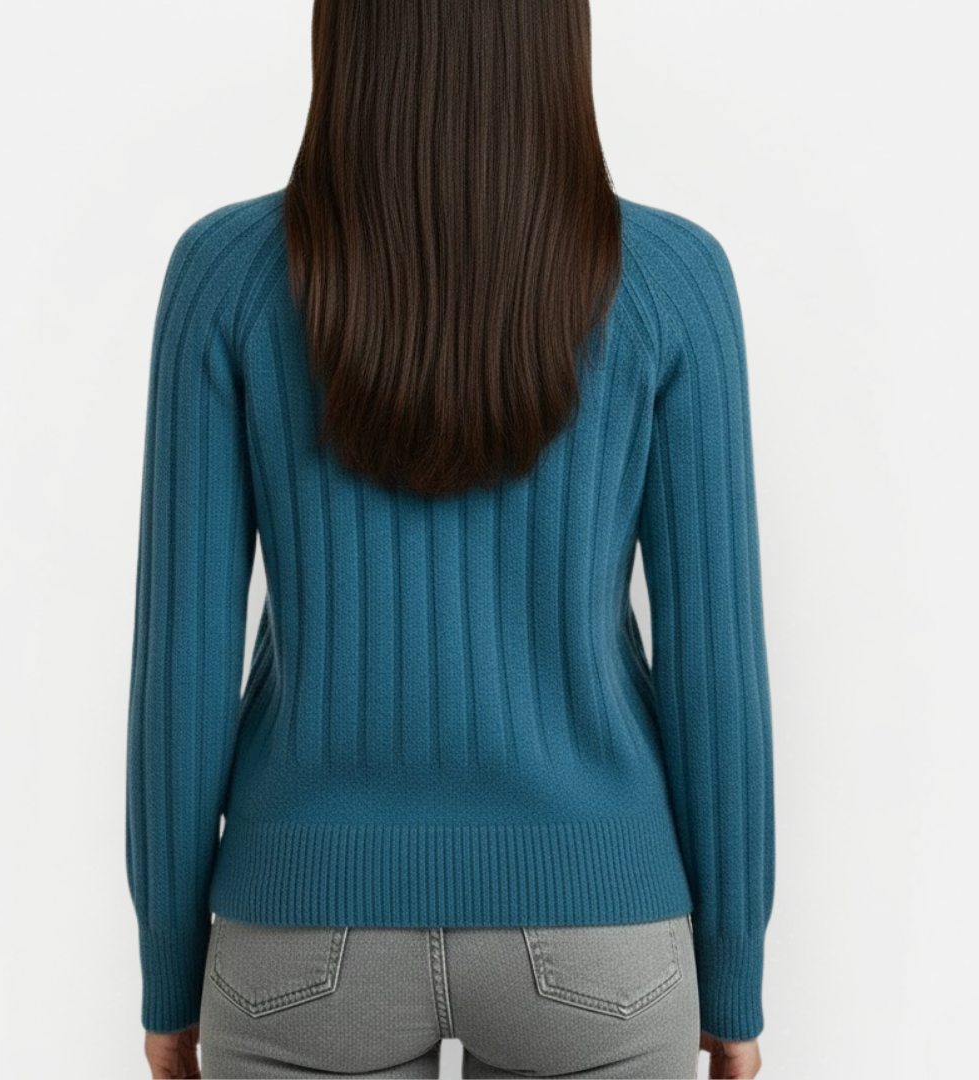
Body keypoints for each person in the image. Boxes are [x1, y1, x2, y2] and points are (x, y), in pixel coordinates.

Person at [125, 2, 775, 1077]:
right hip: (601, 932)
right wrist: (735, 974)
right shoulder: (674, 282)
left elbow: (180, 669)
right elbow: (717, 666)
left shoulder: (223, 278)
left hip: (300, 933)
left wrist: (167, 968)